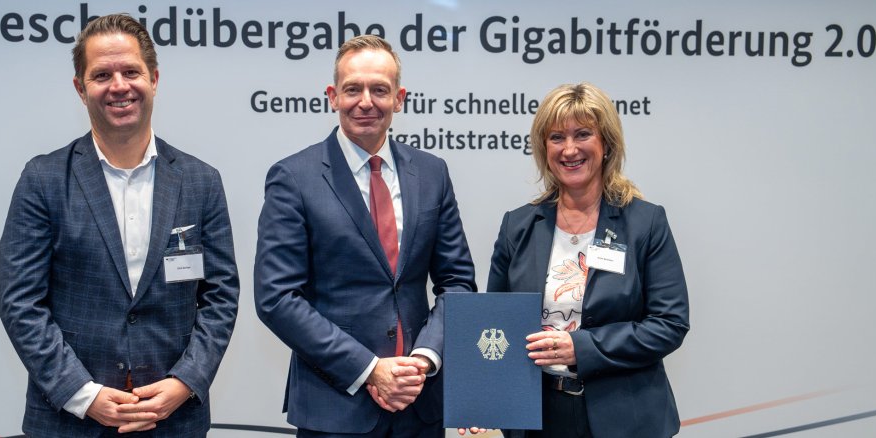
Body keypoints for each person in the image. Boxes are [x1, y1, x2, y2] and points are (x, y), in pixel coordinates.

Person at [0, 14, 240, 437]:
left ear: (154, 79)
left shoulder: (201, 181)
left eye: (131, 71)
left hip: (173, 420)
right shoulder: (43, 179)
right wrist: (83, 394)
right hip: (68, 421)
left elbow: (220, 297)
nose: (119, 86)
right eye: (102, 74)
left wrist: (185, 382)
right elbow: (20, 303)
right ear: (80, 88)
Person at [254, 35, 477, 437]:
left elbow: (457, 282)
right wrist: (370, 369)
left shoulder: (432, 173)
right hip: (335, 406)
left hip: (419, 401)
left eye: (380, 89)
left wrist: (425, 359)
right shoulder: (293, 178)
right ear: (332, 96)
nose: (366, 101)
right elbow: (277, 298)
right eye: (353, 88)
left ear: (400, 98)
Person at [487, 83, 689, 438]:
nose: (569, 149)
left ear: (606, 143)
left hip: (626, 418)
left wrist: (581, 347)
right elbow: (493, 325)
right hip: (537, 418)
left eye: (582, 134)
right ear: (542, 148)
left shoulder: (645, 223)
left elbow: (669, 324)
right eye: (556, 137)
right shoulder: (517, 226)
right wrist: (484, 399)